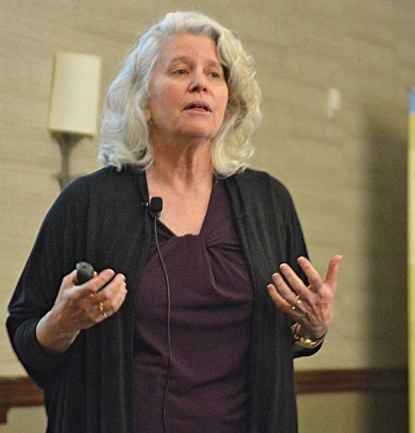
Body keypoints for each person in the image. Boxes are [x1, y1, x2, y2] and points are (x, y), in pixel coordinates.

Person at [6, 10, 341, 433]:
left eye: (214, 74)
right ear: (144, 102)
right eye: (181, 70)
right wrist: (64, 320)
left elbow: (291, 338)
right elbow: (26, 331)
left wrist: (313, 328)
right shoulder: (87, 203)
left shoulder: (268, 203)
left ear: (228, 100)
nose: (200, 83)